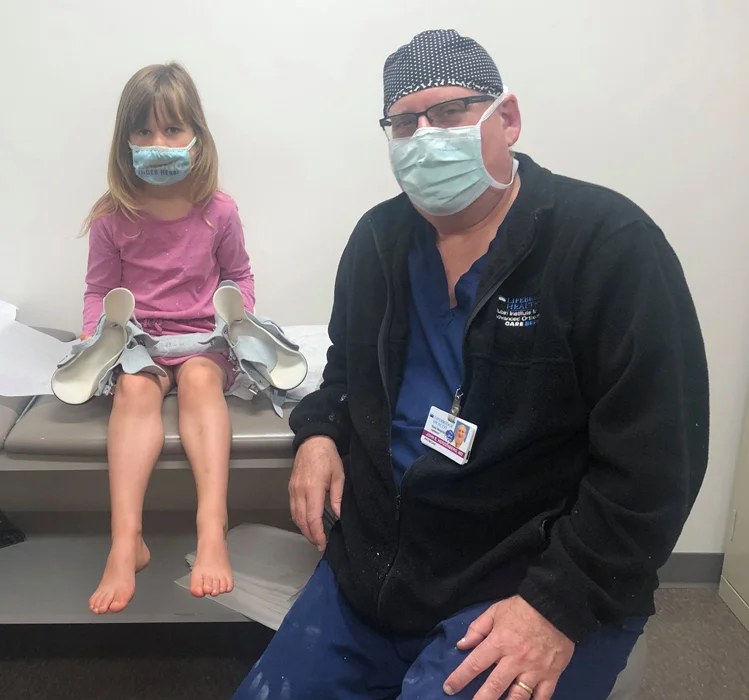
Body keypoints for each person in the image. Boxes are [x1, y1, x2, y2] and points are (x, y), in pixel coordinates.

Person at [234, 29, 709, 700]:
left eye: (450, 112)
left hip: (533, 579)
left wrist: (557, 605)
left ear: (505, 118)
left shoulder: (606, 245)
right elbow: (345, 371)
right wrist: (317, 434)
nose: (426, 136)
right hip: (382, 565)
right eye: (405, 122)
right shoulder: (378, 240)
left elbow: (657, 463)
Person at [84, 63, 255, 615]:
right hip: (140, 341)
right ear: (124, 139)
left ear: (196, 137)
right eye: (144, 131)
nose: (158, 143)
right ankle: (125, 540)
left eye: (172, 130)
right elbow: (99, 290)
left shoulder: (219, 211)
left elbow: (240, 278)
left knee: (203, 379)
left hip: (203, 338)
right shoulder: (113, 216)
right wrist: (97, 337)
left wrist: (238, 316)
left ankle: (211, 530)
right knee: (135, 391)